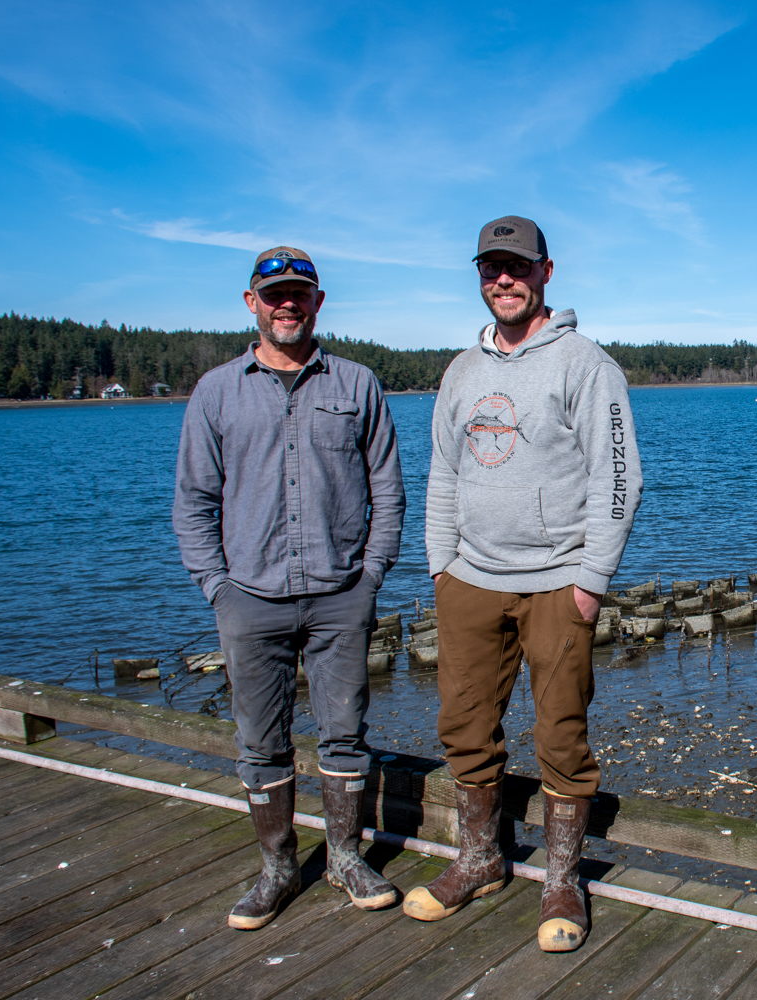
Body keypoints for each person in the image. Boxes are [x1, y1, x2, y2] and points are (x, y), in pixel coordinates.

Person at [404, 216, 642, 953]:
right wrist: (441, 564)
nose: (501, 280)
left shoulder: (585, 364)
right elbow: (444, 472)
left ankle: (562, 879)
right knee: (465, 730)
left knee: (560, 734)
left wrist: (590, 578)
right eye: (489, 268)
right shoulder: (461, 371)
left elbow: (619, 477)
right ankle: (479, 860)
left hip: (556, 583)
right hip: (469, 579)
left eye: (515, 267)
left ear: (545, 272)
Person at [172, 247, 406, 930]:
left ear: (318, 301)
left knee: (344, 734)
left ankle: (343, 857)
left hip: (341, 593)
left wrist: (372, 574)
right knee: (259, 740)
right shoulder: (217, 391)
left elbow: (387, 490)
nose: (287, 305)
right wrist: (217, 587)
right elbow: (192, 502)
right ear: (252, 303)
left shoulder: (356, 384)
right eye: (274, 295)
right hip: (250, 595)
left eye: (299, 293)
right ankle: (277, 868)